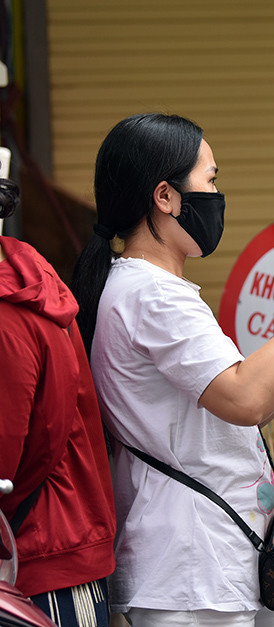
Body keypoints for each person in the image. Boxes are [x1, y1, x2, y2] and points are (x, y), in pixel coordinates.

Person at [70, 113, 274, 626]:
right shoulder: (154, 296)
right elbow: (246, 398)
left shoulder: (140, 289)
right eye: (211, 179)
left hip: (207, 561)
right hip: (194, 567)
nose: (217, 193)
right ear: (166, 197)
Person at [0, 176, 117, 625]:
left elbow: (9, 465)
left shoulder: (8, 313)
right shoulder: (25, 279)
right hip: (56, 547)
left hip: (43, 558)